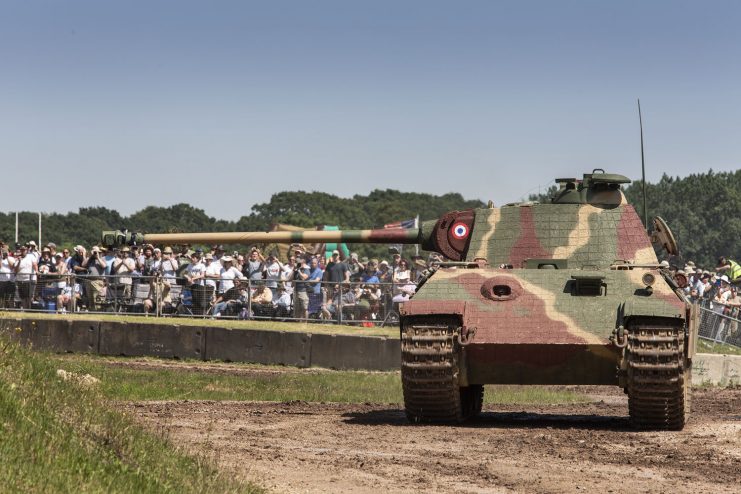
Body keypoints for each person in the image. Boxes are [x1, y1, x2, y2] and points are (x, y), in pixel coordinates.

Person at [81, 246, 107, 311]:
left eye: (96, 251)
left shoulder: (102, 258)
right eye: (93, 251)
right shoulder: (89, 259)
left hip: (97, 281)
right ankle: (91, 311)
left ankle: (98, 311)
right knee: (90, 298)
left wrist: (98, 257)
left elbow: (104, 266)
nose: (94, 252)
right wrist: (90, 256)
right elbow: (83, 265)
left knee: (97, 298)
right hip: (89, 281)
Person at [14, 245, 37, 309]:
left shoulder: (30, 257)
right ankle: (24, 308)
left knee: (29, 296)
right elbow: (15, 270)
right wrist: (19, 261)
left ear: (26, 251)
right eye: (22, 250)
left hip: (28, 280)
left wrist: (36, 271)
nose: (23, 251)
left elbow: (35, 264)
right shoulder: (18, 259)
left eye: (24, 250)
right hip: (20, 280)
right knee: (22, 297)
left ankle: (29, 309)